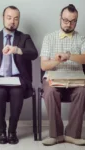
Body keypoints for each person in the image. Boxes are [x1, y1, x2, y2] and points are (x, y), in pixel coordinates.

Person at [0, 6, 38, 144]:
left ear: (19, 20)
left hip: (18, 79)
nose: (12, 21)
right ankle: (1, 131)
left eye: (16, 18)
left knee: (17, 93)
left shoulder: (24, 38)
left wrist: (17, 50)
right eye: (9, 17)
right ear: (3, 18)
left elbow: (34, 54)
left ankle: (12, 131)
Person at [40, 4, 85, 146]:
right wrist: (56, 60)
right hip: (54, 79)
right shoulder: (49, 38)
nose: (69, 24)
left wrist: (69, 55)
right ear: (60, 18)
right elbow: (43, 65)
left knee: (82, 92)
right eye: (65, 20)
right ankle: (56, 134)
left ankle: (72, 134)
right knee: (50, 91)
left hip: (76, 80)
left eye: (72, 21)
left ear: (76, 21)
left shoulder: (81, 38)